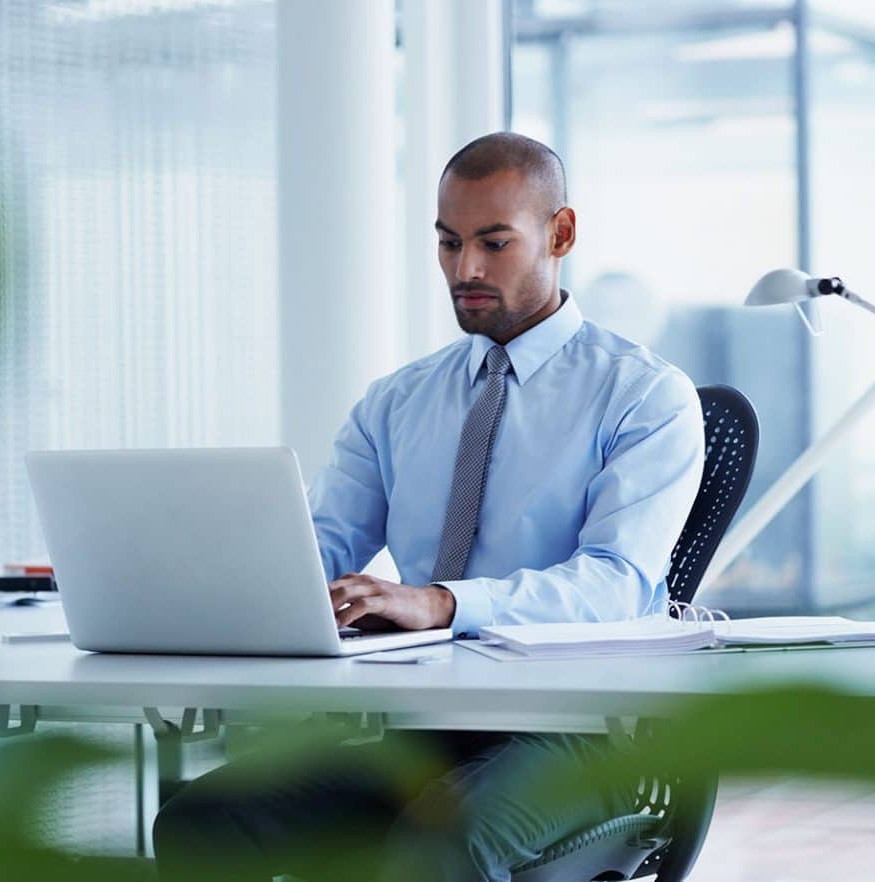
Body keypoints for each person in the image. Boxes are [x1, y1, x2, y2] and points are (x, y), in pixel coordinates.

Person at [153, 132, 705, 882]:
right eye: (448, 243)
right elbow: (319, 544)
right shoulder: (398, 401)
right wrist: (206, 583)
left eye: (494, 243)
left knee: (438, 849)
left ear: (561, 233)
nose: (464, 270)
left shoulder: (644, 395)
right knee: (205, 819)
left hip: (576, 734)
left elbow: (616, 583)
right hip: (422, 722)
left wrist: (442, 602)